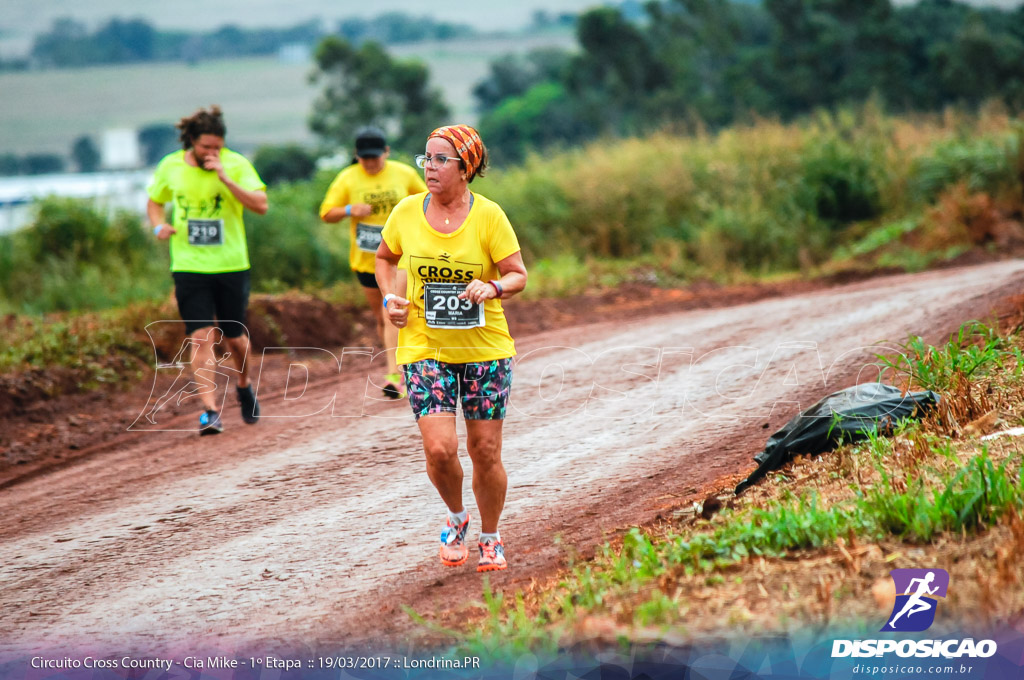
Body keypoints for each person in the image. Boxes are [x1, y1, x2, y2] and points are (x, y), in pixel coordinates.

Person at [375, 124, 528, 572]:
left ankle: (491, 537)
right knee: (440, 449)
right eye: (427, 158)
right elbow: (384, 258)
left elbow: (519, 274)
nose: (430, 168)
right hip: (425, 348)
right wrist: (390, 298)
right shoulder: (405, 213)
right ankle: (458, 517)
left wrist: (493, 287)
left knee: (484, 452)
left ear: (467, 168)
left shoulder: (489, 216)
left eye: (442, 160)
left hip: (484, 349)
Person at [147, 106, 268, 435]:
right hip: (188, 265)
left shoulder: (236, 164)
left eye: (217, 147)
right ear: (191, 143)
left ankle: (243, 384)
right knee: (201, 336)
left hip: (231, 265)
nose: (212, 153)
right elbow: (155, 201)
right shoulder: (170, 166)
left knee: (236, 340)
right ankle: (210, 411)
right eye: (206, 148)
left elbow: (260, 205)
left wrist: (225, 178)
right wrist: (159, 225)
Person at [320, 126, 426, 399]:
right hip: (366, 261)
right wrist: (348, 209)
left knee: (393, 312)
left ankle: (396, 377)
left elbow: (428, 199)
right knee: (383, 317)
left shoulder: (403, 174)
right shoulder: (347, 178)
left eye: (375, 157)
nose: (369, 163)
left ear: (386, 152)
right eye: (364, 158)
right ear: (357, 155)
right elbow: (325, 213)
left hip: (401, 258)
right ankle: (408, 366)